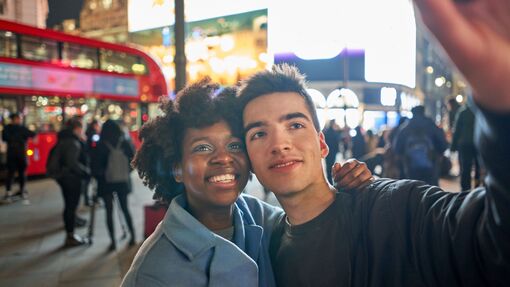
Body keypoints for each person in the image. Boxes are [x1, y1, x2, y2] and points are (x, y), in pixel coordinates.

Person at [237, 61, 509, 286]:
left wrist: (500, 107)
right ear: (248, 157)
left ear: (322, 144)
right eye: (259, 133)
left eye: (295, 125)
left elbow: (492, 237)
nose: (279, 144)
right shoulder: (264, 249)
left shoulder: (396, 209)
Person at [121, 79, 372, 286]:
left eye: (234, 145)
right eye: (203, 147)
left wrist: (351, 183)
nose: (223, 158)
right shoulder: (152, 272)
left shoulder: (260, 216)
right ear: (176, 167)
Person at [91, 119, 136, 250]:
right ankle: (133, 236)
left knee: (109, 212)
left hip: (106, 183)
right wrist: (125, 172)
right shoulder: (124, 141)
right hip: (122, 182)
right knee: (125, 209)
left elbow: (95, 166)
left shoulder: (101, 144)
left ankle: (113, 242)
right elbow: (134, 160)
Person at [55, 117, 90, 247]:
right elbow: (73, 163)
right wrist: (86, 171)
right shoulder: (72, 142)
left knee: (69, 205)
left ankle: (70, 231)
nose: (83, 132)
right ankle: (70, 236)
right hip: (71, 179)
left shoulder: (66, 138)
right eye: (82, 129)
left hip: (65, 178)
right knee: (71, 206)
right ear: (77, 129)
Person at [393, 105, 448, 185]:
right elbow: (443, 145)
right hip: (431, 167)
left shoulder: (405, 128)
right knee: (431, 192)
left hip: (410, 169)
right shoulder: (432, 126)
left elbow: (397, 149)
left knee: (411, 192)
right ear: (423, 112)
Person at [1, 113, 36, 203]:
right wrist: (21, 138)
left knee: (16, 173)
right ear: (13, 119)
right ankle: (15, 192)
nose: (19, 120)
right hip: (17, 154)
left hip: (15, 154)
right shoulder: (21, 128)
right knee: (15, 174)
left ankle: (18, 191)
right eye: (18, 118)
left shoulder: (8, 128)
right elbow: (33, 135)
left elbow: (5, 139)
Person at [451, 104, 480, 191]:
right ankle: (477, 188)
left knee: (465, 167)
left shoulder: (463, 112)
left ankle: (465, 190)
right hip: (478, 143)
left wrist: (453, 146)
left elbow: (457, 130)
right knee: (478, 167)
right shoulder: (479, 112)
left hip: (465, 143)